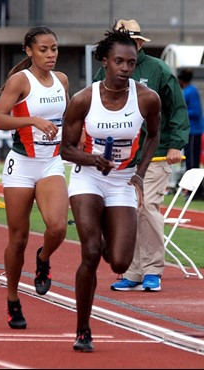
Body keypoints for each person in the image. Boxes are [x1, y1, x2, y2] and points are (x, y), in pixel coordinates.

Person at [60, 24, 161, 352]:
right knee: (90, 253)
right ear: (104, 60)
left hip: (121, 181)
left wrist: (140, 173)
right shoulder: (83, 99)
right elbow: (65, 150)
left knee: (119, 262)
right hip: (88, 177)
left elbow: (154, 136)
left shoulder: (146, 98)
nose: (125, 69)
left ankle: (105, 231)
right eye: (119, 62)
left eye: (131, 63)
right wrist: (91, 159)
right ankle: (83, 329)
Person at [94, 19, 189, 292]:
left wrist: (176, 144)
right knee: (125, 212)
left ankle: (153, 270)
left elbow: (177, 108)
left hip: (154, 153)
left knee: (147, 208)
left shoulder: (157, 69)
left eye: (131, 40)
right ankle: (133, 272)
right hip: (118, 157)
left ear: (139, 43)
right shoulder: (105, 72)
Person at [0, 26, 69, 330]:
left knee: (58, 227)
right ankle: (13, 300)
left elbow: (69, 117)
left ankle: (44, 258)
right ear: (29, 51)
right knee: (18, 238)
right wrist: (33, 119)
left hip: (50, 163)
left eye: (54, 49)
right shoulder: (20, 81)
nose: (50, 55)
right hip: (22, 165)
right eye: (43, 50)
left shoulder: (61, 80)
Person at [178, 69, 204, 168]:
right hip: (189, 130)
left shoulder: (191, 91)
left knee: (192, 159)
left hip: (194, 130)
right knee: (188, 156)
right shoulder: (186, 90)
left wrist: (181, 113)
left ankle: (194, 182)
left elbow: (196, 111)